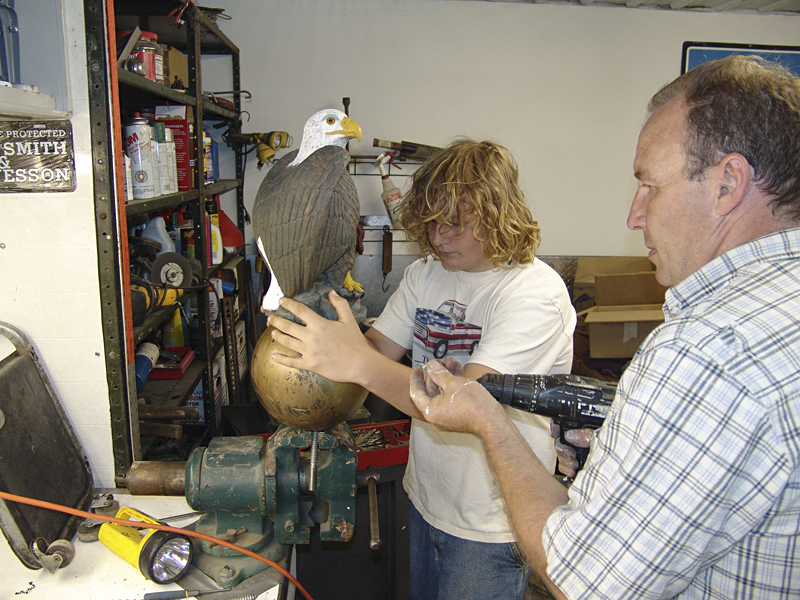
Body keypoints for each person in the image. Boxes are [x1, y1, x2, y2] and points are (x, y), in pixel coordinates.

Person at [409, 54, 800, 600]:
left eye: (650, 186)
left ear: (728, 183)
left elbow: (585, 582)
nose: (634, 216)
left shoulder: (711, 349)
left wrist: (490, 423)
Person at [267, 138, 577, 600]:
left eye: (455, 224)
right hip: (426, 496)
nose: (438, 238)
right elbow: (374, 349)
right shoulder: (426, 274)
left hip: (492, 520)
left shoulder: (532, 294)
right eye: (431, 223)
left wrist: (357, 362)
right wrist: (315, 336)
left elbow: (463, 404)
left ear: (497, 215)